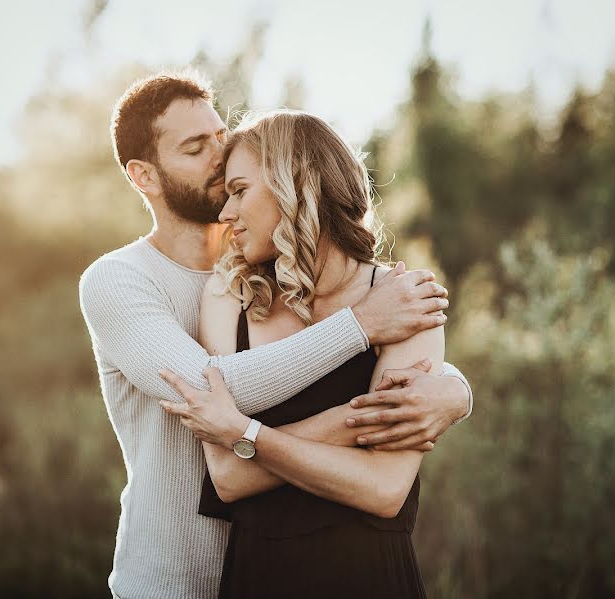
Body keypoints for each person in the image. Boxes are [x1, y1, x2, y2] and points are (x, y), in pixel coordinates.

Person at [78, 70, 473, 599]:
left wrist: (454, 390)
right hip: (175, 581)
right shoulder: (121, 280)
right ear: (143, 176)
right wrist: (361, 338)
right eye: (196, 148)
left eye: (221, 138)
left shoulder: (260, 271)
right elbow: (211, 393)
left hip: (271, 568)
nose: (219, 160)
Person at [159, 109, 448, 598]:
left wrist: (246, 434)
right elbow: (228, 476)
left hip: (370, 579)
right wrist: (358, 420)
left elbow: (383, 489)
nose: (224, 215)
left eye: (239, 191)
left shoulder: (404, 297)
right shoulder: (229, 299)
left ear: (295, 185)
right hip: (259, 576)